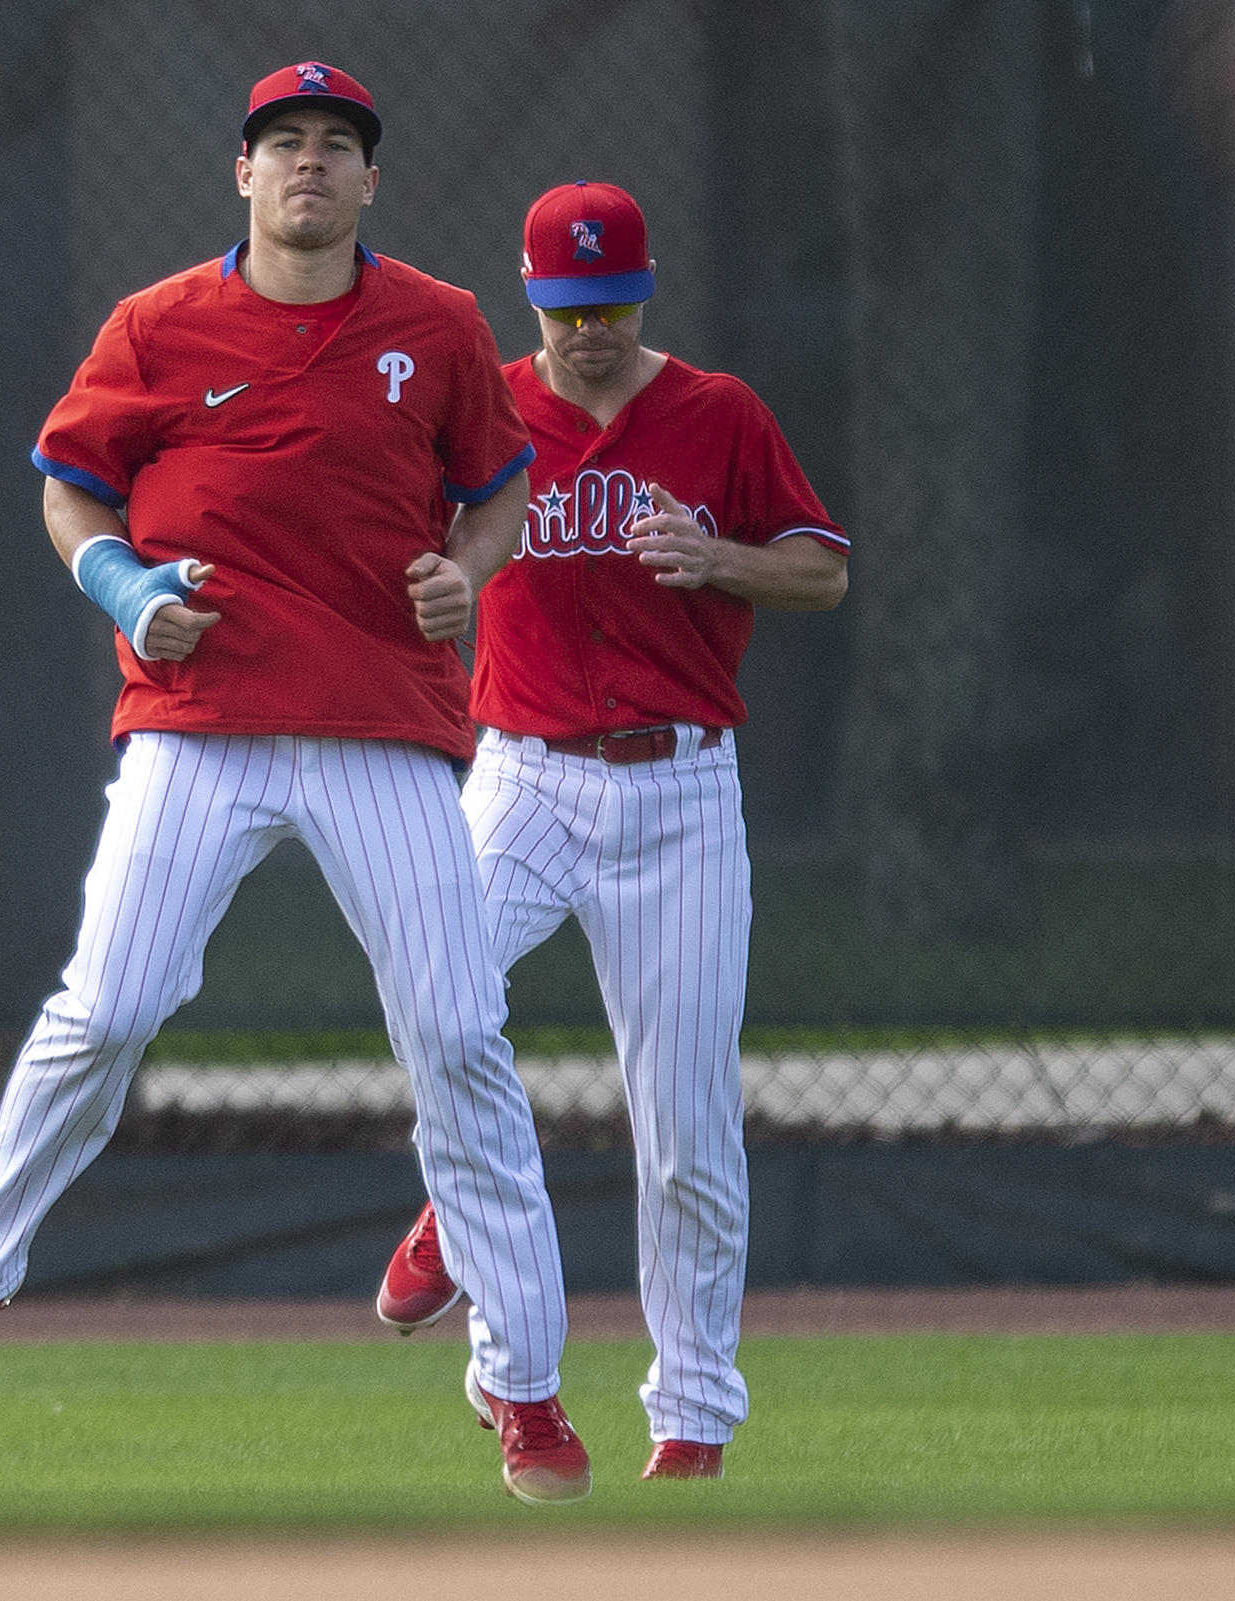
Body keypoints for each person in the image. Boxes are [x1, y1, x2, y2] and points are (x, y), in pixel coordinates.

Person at [0, 61, 592, 1506]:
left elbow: (502, 489)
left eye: (337, 145)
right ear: (242, 172)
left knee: (460, 1036)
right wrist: (117, 580)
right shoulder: (158, 325)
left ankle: (526, 1380)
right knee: (106, 1007)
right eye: (284, 142)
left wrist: (465, 573)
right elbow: (66, 486)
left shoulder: (437, 323)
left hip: (382, 723)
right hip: (200, 714)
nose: (309, 164)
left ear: (371, 180)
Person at [371, 181, 849, 1482]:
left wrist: (724, 559)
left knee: (687, 1123)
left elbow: (824, 565)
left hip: (680, 788)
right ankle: (471, 1236)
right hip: (522, 772)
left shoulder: (717, 414)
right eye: (568, 306)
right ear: (533, 298)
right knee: (435, 995)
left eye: (612, 303)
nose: (590, 329)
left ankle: (690, 1416)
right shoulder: (485, 410)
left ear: (646, 292)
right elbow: (391, 548)